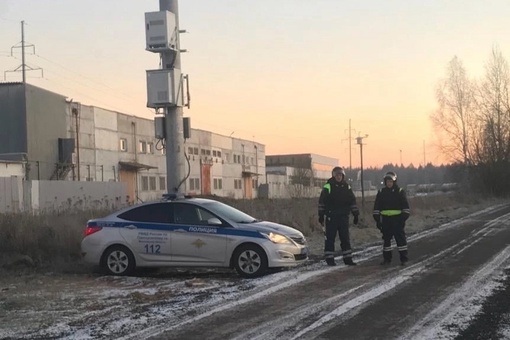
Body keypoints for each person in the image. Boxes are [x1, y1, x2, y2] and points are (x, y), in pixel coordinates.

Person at [318, 166, 360, 266]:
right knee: (330, 238)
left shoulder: (346, 187)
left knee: (345, 238)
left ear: (343, 176)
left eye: (340, 175)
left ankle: (348, 259)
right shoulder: (328, 186)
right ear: (334, 176)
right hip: (331, 216)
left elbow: (352, 201)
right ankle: (330, 259)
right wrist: (321, 215)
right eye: (337, 175)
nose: (339, 177)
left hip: (343, 217)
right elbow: (322, 202)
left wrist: (356, 214)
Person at [372, 171, 411, 266]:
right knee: (386, 242)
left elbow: (406, 208)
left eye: (390, 181)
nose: (389, 183)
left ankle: (404, 259)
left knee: (401, 241)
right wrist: (378, 220)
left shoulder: (400, 192)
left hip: (397, 220)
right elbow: (376, 208)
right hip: (385, 221)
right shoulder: (381, 192)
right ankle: (387, 259)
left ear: (394, 182)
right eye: (387, 181)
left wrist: (402, 220)